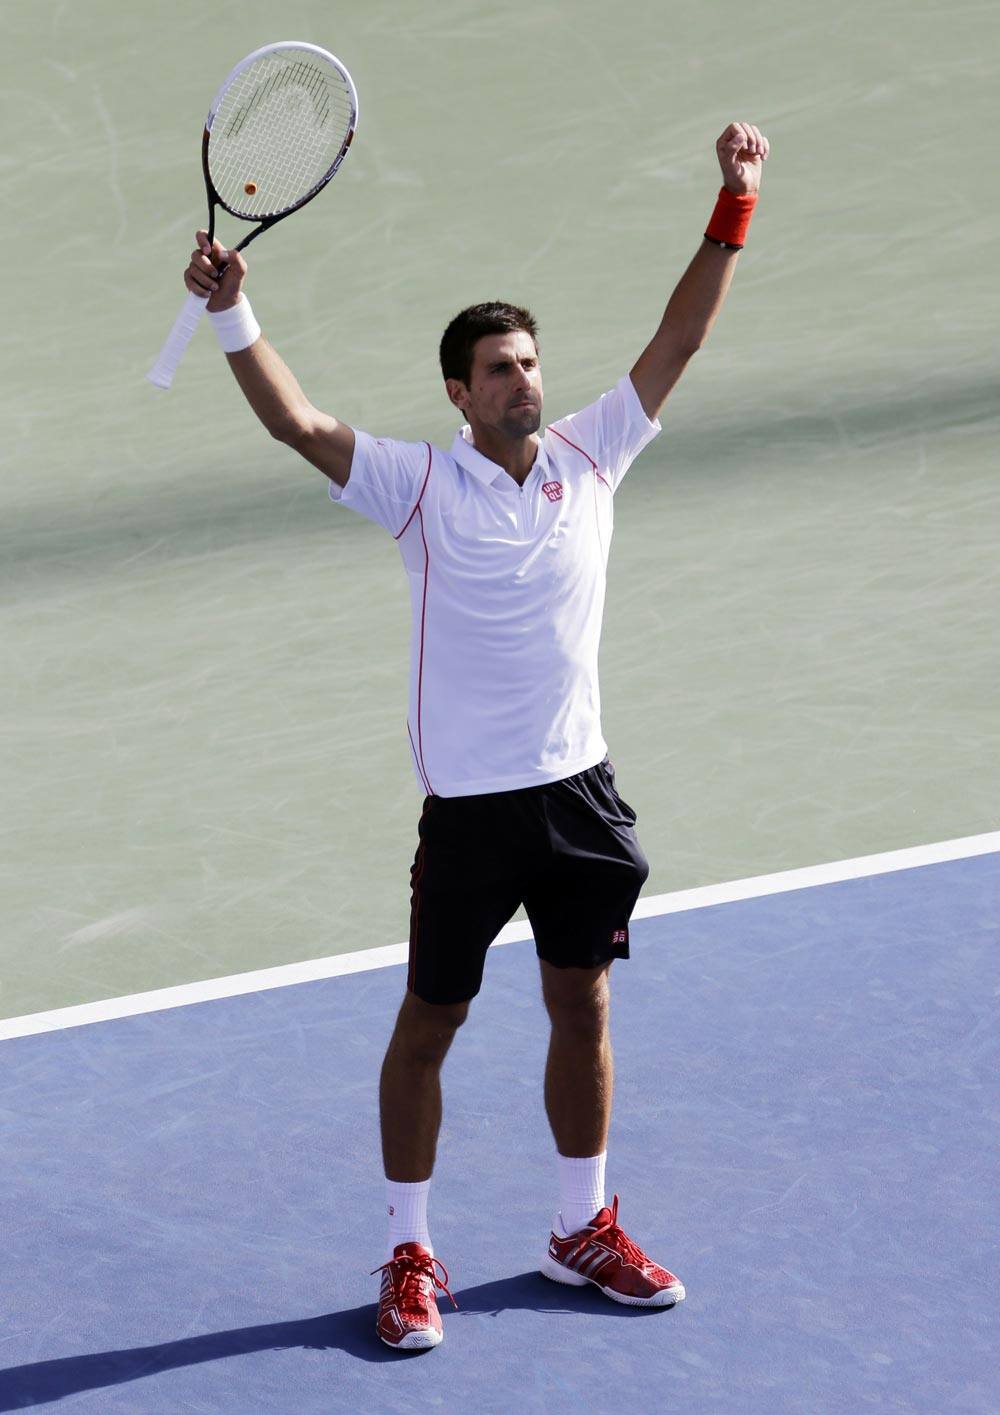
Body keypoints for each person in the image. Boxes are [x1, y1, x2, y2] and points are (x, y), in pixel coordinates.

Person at [183, 120, 769, 1351]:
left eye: (530, 364)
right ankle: (409, 1248)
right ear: (458, 392)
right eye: (498, 369)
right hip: (470, 813)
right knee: (428, 1025)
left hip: (580, 798)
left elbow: (681, 336)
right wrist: (237, 316)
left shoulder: (592, 456)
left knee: (583, 1010)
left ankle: (580, 1226)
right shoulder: (415, 485)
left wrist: (732, 204)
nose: (522, 382)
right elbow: (296, 423)